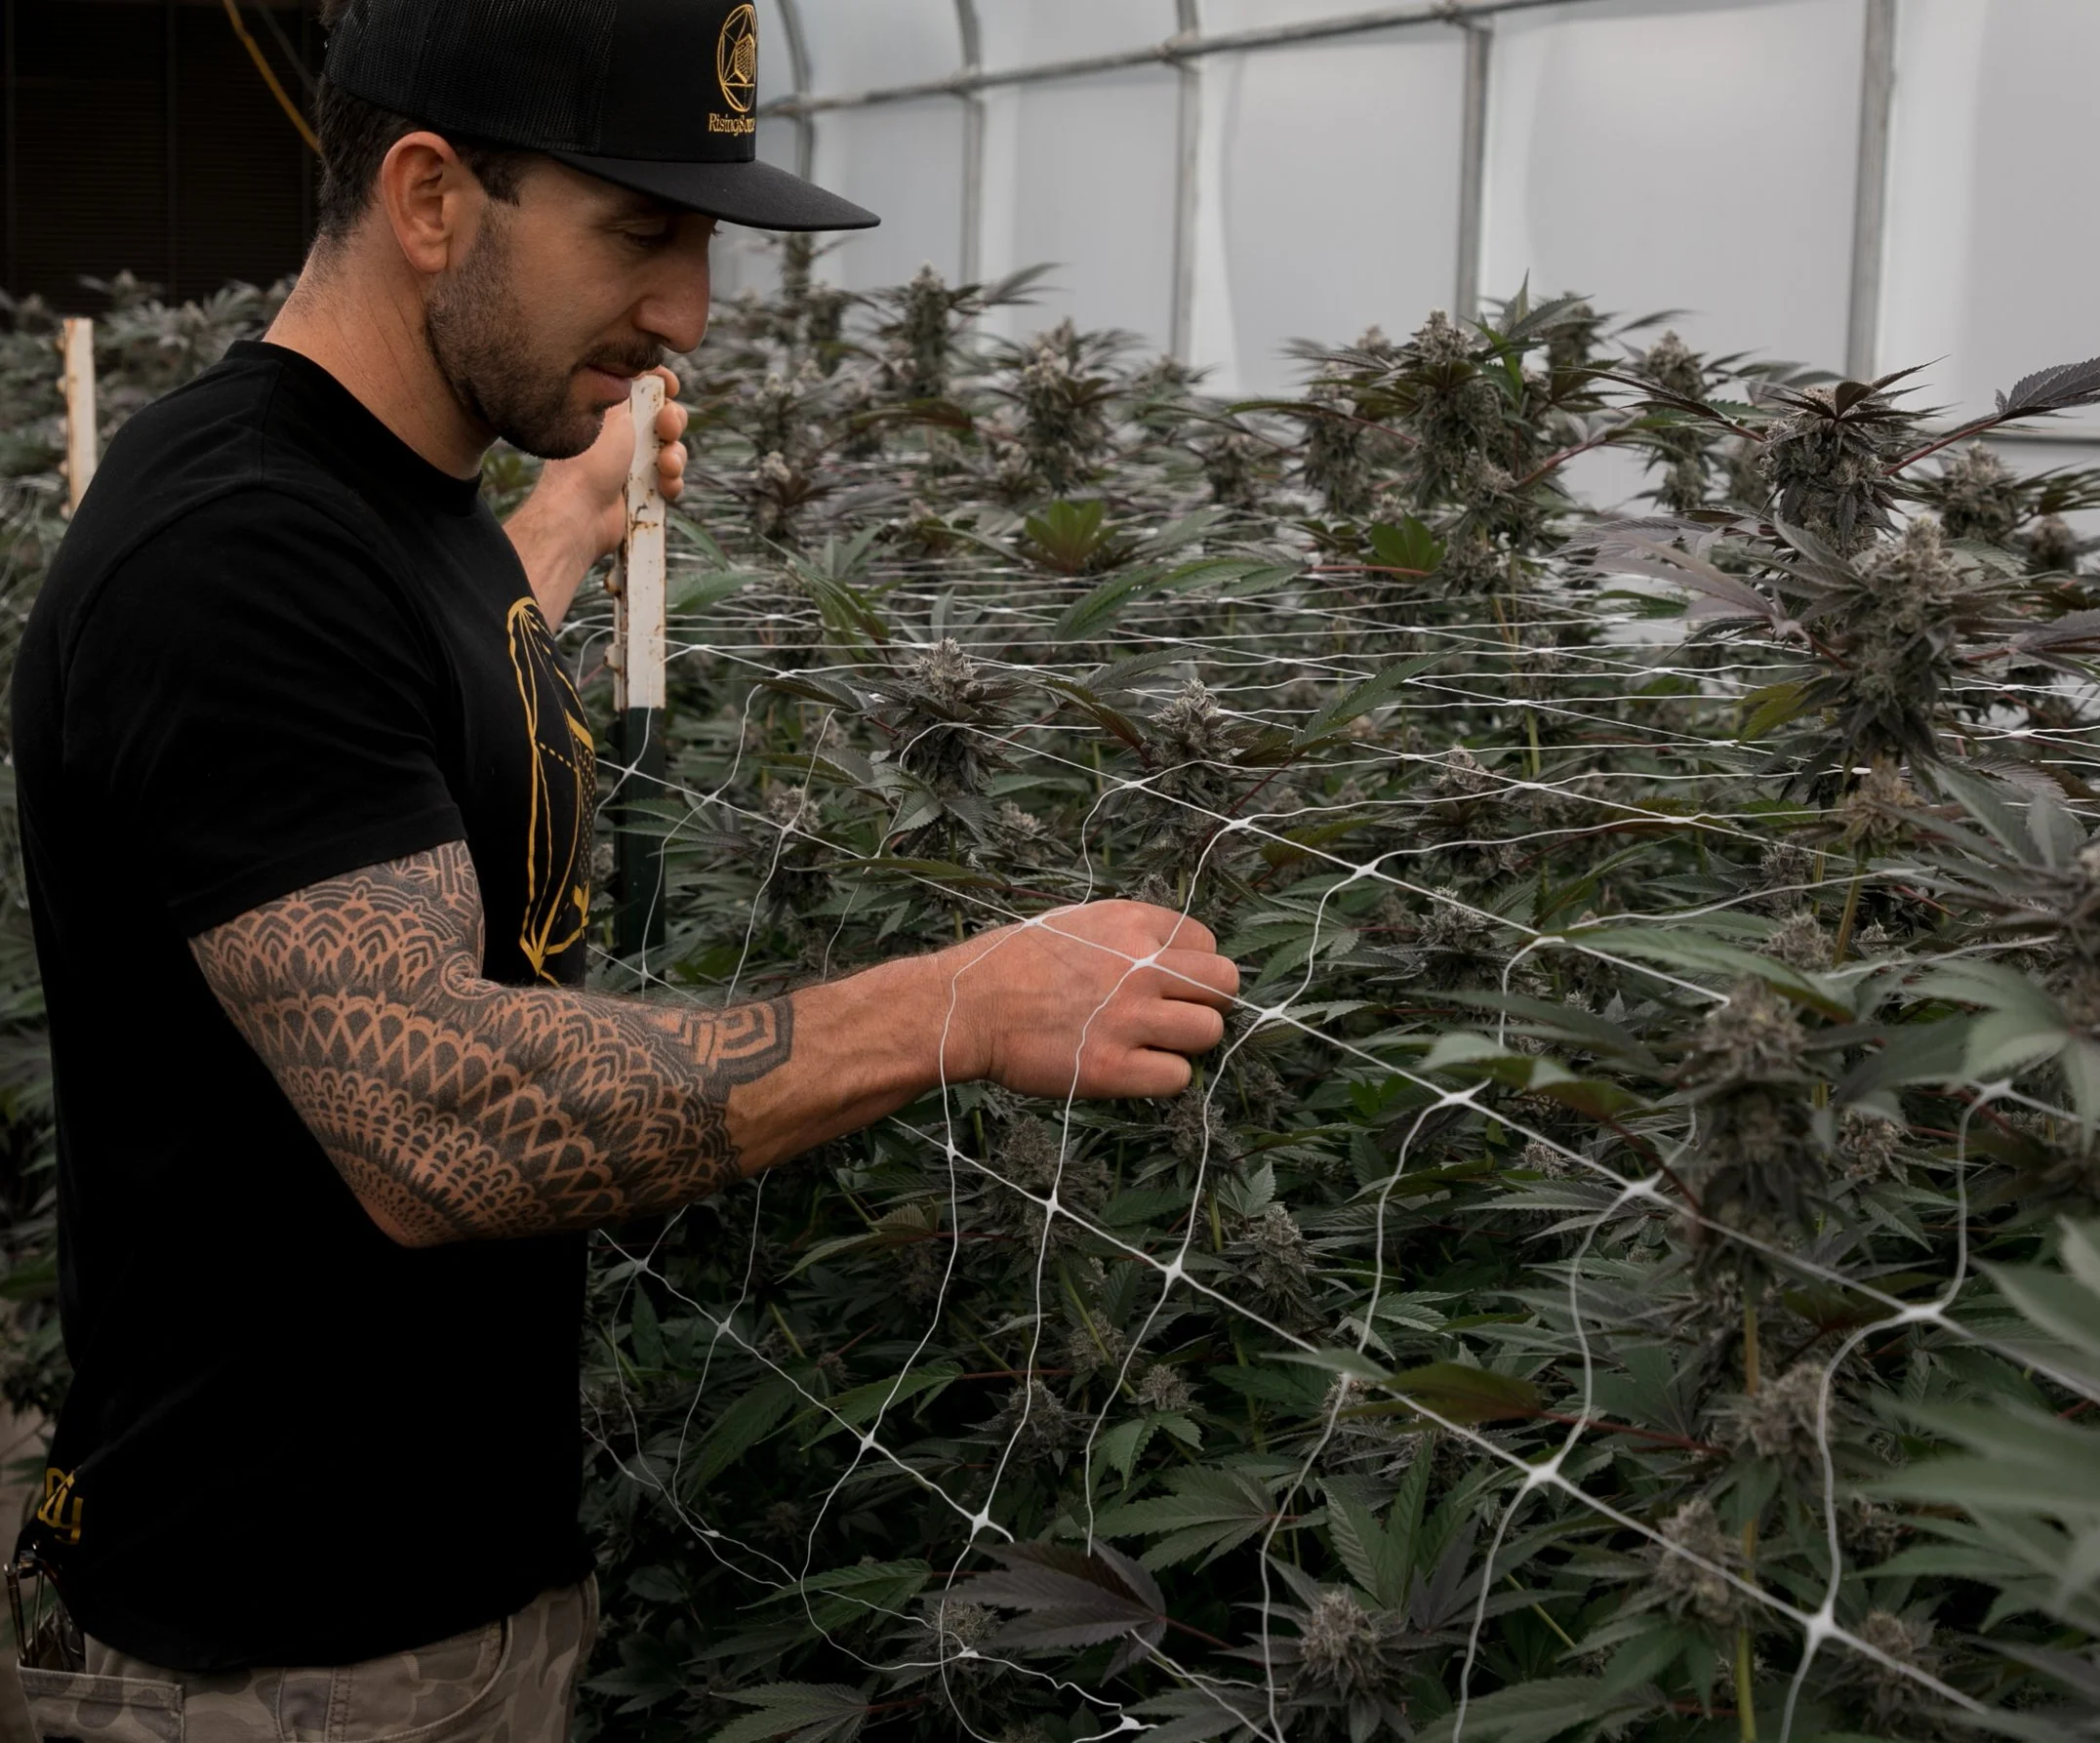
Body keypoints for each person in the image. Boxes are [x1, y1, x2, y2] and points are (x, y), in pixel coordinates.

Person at [4, 0, 1239, 1735]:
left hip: (425, 1600)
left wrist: (566, 528)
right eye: (640, 234)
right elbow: (432, 1122)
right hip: (268, 1654)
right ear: (432, 197)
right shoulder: (239, 547)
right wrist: (967, 999)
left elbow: (400, 731)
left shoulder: (398, 491)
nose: (688, 313)